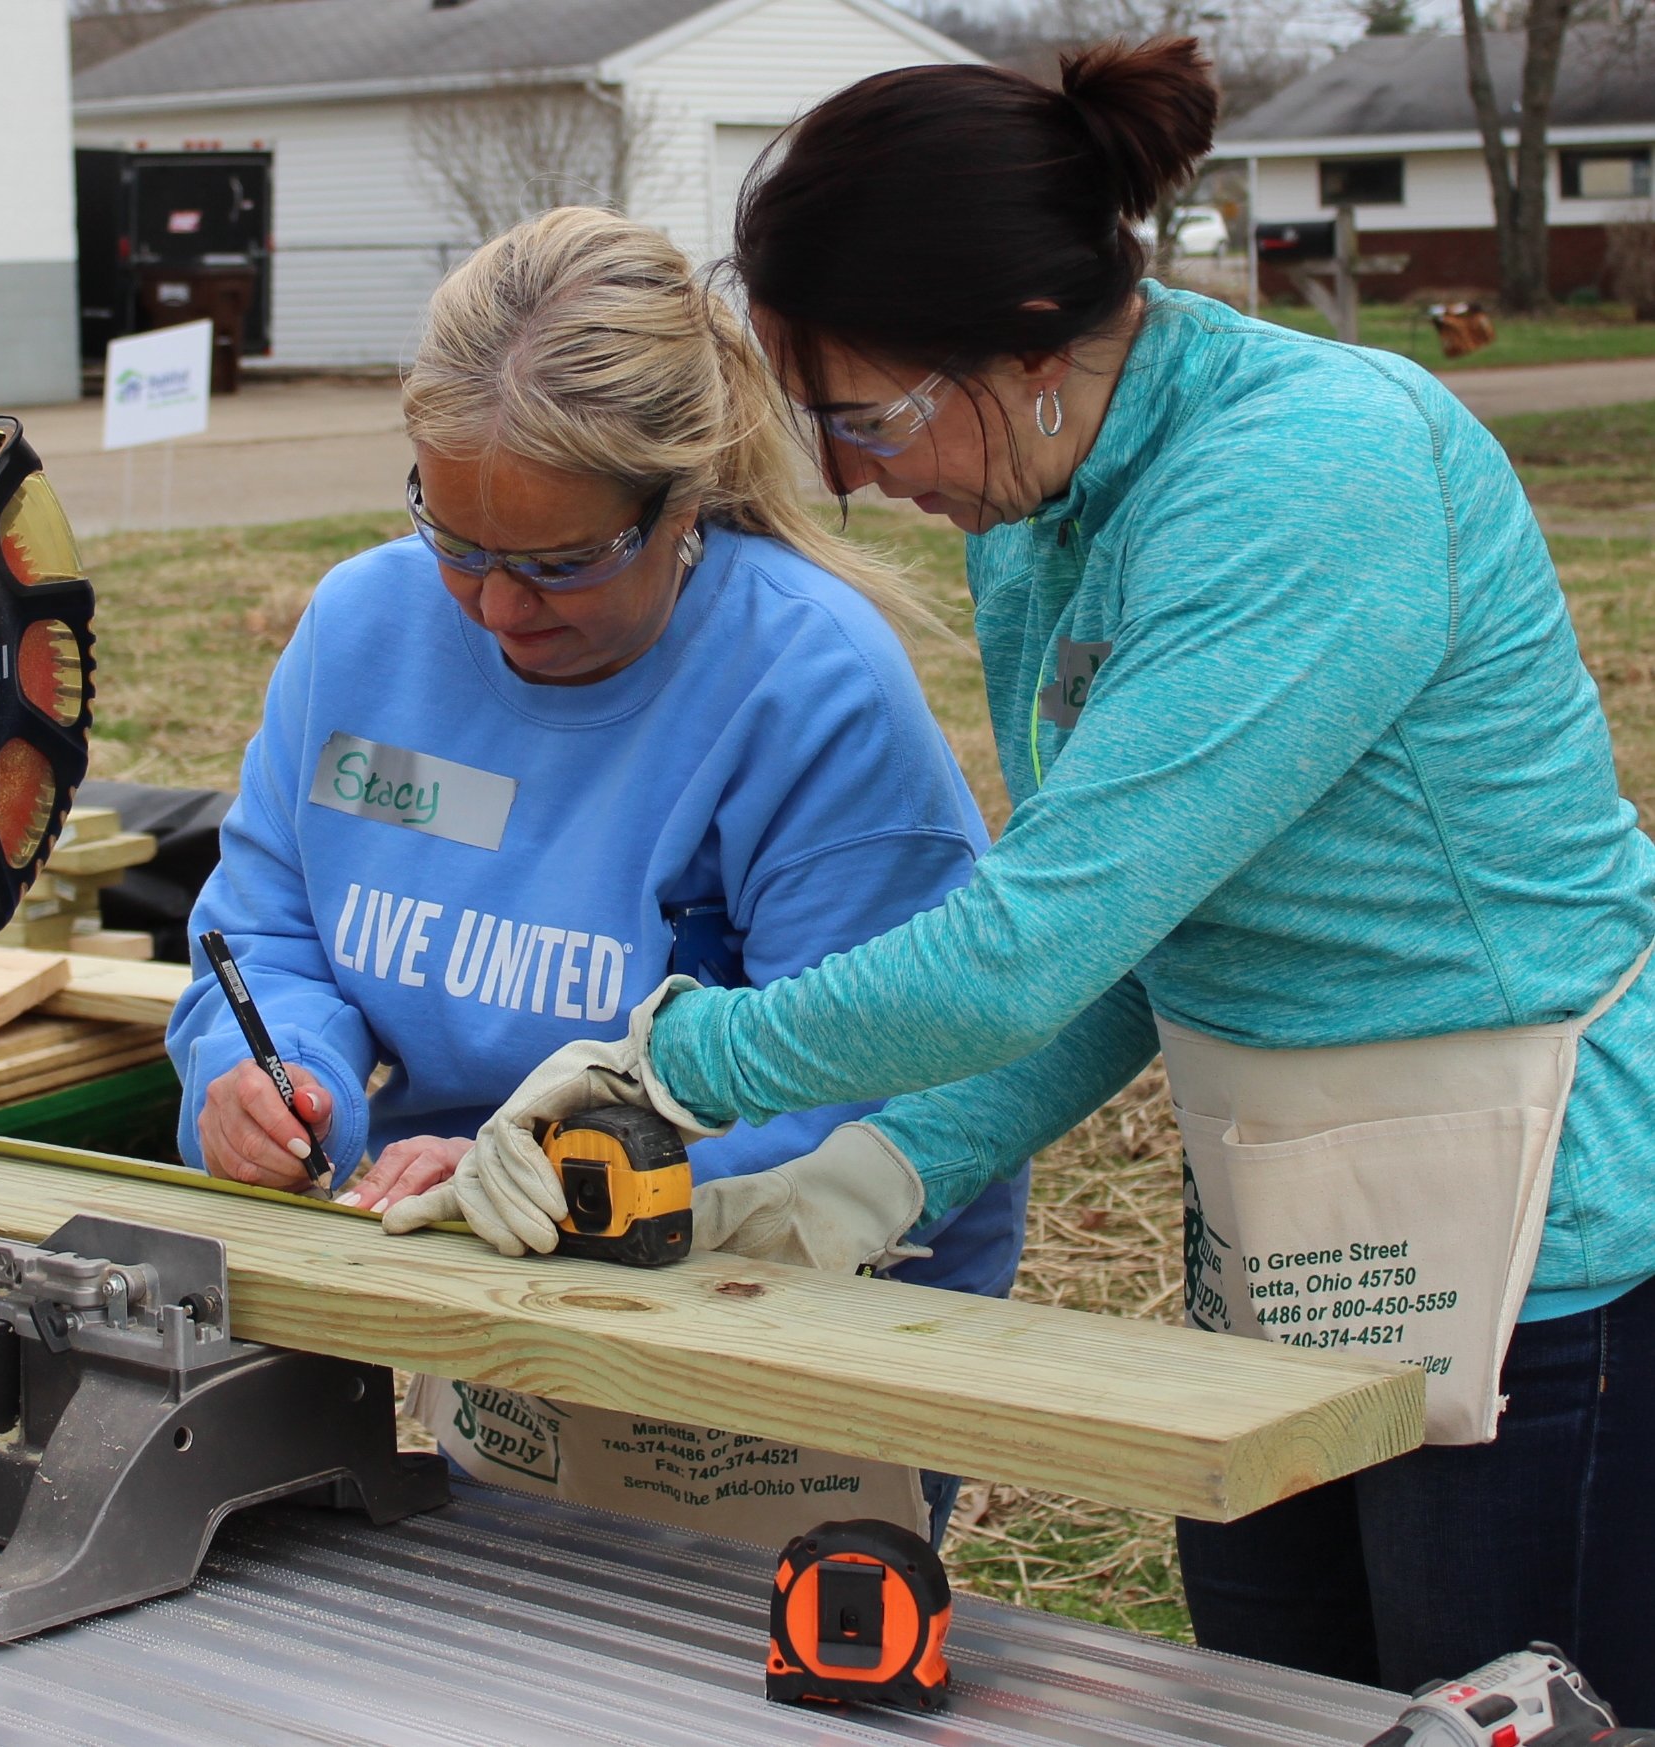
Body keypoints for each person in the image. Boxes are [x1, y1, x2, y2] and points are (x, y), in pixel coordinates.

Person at [386, 44, 1655, 1713]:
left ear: (1038, 348)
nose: (842, 479)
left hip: (1533, 1257)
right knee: (1275, 1705)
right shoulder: (1039, 513)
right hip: (1287, 1234)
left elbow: (1017, 949)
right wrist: (878, 1178)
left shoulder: (1314, 477)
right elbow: (1125, 950)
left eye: (865, 414)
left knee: (1492, 1705)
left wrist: (664, 1068)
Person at [165, 205, 1029, 1542]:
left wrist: (549, 1168)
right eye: (456, 545)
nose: (500, 610)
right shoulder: (360, 632)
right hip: (500, 1298)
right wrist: (274, 1083)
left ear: (681, 505)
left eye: (562, 565)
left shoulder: (808, 689)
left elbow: (876, 1079)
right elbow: (265, 943)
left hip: (785, 1303)